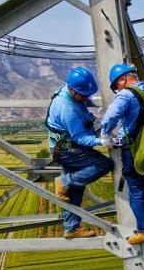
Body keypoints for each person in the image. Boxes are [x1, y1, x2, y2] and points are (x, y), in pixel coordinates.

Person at [45, 67, 114, 238]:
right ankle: (65, 181)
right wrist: (102, 141)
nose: (86, 98)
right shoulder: (67, 109)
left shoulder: (68, 90)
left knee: (73, 191)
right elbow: (81, 138)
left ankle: (71, 227)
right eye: (83, 95)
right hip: (68, 149)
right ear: (73, 90)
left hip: (63, 146)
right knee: (103, 165)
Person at [101, 63, 144, 244]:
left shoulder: (126, 95)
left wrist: (105, 135)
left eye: (116, 85)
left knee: (136, 189)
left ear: (123, 79)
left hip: (134, 148)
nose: (117, 89)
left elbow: (110, 117)